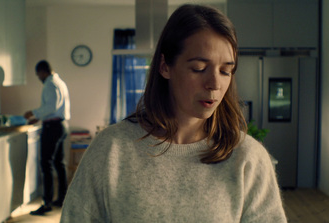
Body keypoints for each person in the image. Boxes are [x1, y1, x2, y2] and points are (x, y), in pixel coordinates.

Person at [61, 4, 287, 222]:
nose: (215, 84)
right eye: (199, 68)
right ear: (165, 66)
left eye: (226, 71)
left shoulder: (248, 158)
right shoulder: (110, 150)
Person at [25, 60, 71, 215]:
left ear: (43, 71)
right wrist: (38, 117)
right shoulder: (60, 82)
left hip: (52, 128)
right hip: (61, 125)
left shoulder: (50, 84)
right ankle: (62, 198)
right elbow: (54, 108)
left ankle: (47, 203)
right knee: (59, 163)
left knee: (46, 164)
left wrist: (33, 113)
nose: (38, 77)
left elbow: (51, 107)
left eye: (38, 74)